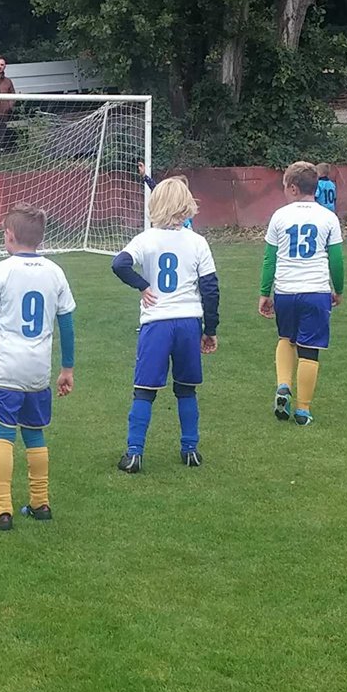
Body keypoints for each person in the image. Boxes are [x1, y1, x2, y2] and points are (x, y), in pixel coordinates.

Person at [0, 204, 76, 530]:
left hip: (4, 370)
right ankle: (40, 503)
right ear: (39, 238)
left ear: (9, 236)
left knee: (3, 433)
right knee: (34, 433)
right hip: (37, 371)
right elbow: (66, 324)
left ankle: (3, 510)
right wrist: (67, 369)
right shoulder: (55, 272)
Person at [110, 176, 218, 472]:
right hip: (188, 323)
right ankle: (190, 449)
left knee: (144, 390)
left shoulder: (146, 239)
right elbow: (210, 289)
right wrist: (210, 329)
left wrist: (142, 285)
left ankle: (134, 453)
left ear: (155, 204)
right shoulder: (197, 242)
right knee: (186, 389)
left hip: (156, 323)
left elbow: (119, 264)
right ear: (186, 205)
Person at [261, 161, 345, 426]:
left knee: (286, 338)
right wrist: (338, 289)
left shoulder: (279, 216)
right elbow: (336, 259)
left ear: (294, 188)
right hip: (316, 291)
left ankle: (283, 385)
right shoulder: (328, 217)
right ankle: (303, 410)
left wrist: (264, 292)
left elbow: (270, 259)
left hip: (285, 291)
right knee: (310, 349)